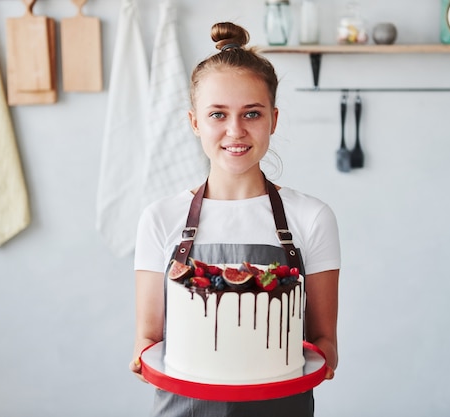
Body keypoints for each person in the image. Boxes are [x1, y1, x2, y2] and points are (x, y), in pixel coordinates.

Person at [130, 21, 340, 417]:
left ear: (273, 120)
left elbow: (324, 341)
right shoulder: (159, 218)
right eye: (217, 114)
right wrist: (143, 359)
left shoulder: (312, 218)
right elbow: (147, 340)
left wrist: (322, 359)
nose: (235, 130)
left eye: (252, 113)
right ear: (195, 122)